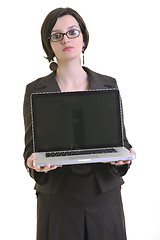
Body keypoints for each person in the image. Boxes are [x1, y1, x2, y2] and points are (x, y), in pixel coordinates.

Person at [23, 7, 135, 240]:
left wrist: (124, 155)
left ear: (83, 38)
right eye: (57, 35)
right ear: (49, 45)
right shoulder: (35, 90)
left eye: (72, 32)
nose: (66, 39)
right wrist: (34, 163)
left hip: (103, 195)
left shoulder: (108, 84)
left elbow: (120, 141)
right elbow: (31, 148)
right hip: (57, 198)